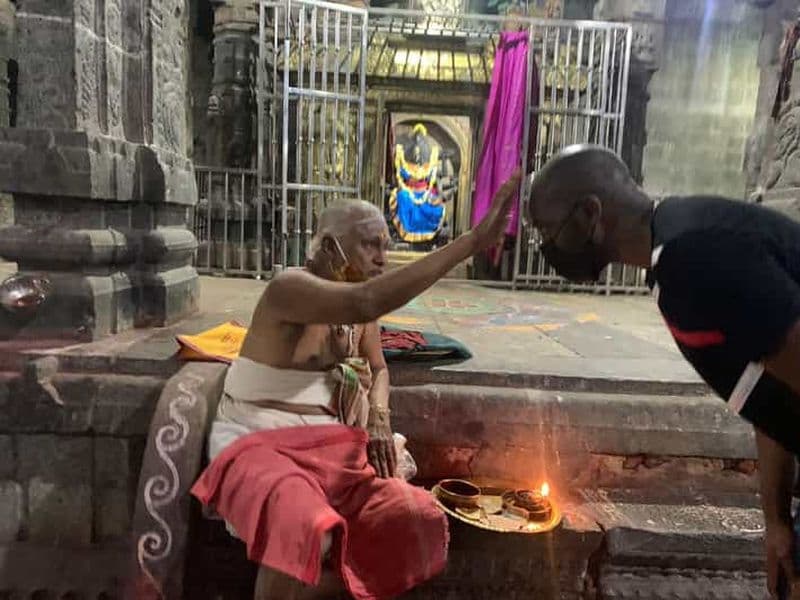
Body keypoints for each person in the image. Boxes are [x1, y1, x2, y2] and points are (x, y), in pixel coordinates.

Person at [191, 169, 521, 600]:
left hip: (331, 444)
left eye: (386, 245)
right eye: (370, 244)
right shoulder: (290, 288)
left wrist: (379, 417)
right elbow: (367, 300)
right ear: (330, 247)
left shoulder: (361, 308)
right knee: (303, 525)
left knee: (411, 516)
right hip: (258, 439)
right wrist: (472, 243)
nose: (383, 259)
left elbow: (379, 369)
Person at [526, 144, 800, 600]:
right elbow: (769, 392)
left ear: (590, 214)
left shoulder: (693, 256)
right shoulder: (675, 253)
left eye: (548, 230)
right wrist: (775, 521)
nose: (545, 247)